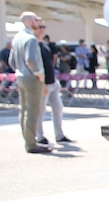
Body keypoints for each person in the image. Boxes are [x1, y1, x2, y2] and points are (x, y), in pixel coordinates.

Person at [10, 12, 50, 154]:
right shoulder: (30, 39)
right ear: (28, 21)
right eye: (35, 19)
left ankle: (28, 140)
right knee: (33, 111)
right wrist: (39, 74)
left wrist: (19, 70)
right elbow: (31, 60)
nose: (37, 22)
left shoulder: (17, 38)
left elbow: (11, 61)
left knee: (24, 110)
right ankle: (31, 144)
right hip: (32, 78)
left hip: (20, 77)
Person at [34, 33, 73, 146]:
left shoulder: (46, 46)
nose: (42, 31)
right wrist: (42, 82)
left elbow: (51, 62)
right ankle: (39, 136)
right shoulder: (34, 46)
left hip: (52, 81)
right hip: (44, 82)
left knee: (58, 108)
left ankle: (59, 135)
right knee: (41, 110)